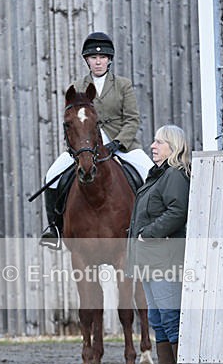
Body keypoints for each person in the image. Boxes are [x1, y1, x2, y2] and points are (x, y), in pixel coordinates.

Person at [39, 31, 153, 248]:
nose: (98, 61)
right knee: (52, 175)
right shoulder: (77, 87)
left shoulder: (123, 85)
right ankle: (54, 228)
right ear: (87, 60)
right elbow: (71, 121)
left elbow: (132, 119)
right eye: (93, 57)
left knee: (149, 172)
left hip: (121, 145)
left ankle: (150, 226)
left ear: (109, 60)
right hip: (86, 147)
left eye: (102, 57)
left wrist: (118, 142)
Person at [127, 125, 191, 364]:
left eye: (159, 142)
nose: (153, 146)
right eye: (153, 141)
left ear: (173, 147)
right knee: (156, 318)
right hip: (149, 259)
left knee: (170, 316)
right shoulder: (156, 176)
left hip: (164, 257)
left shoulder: (174, 175)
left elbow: (178, 211)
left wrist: (148, 233)